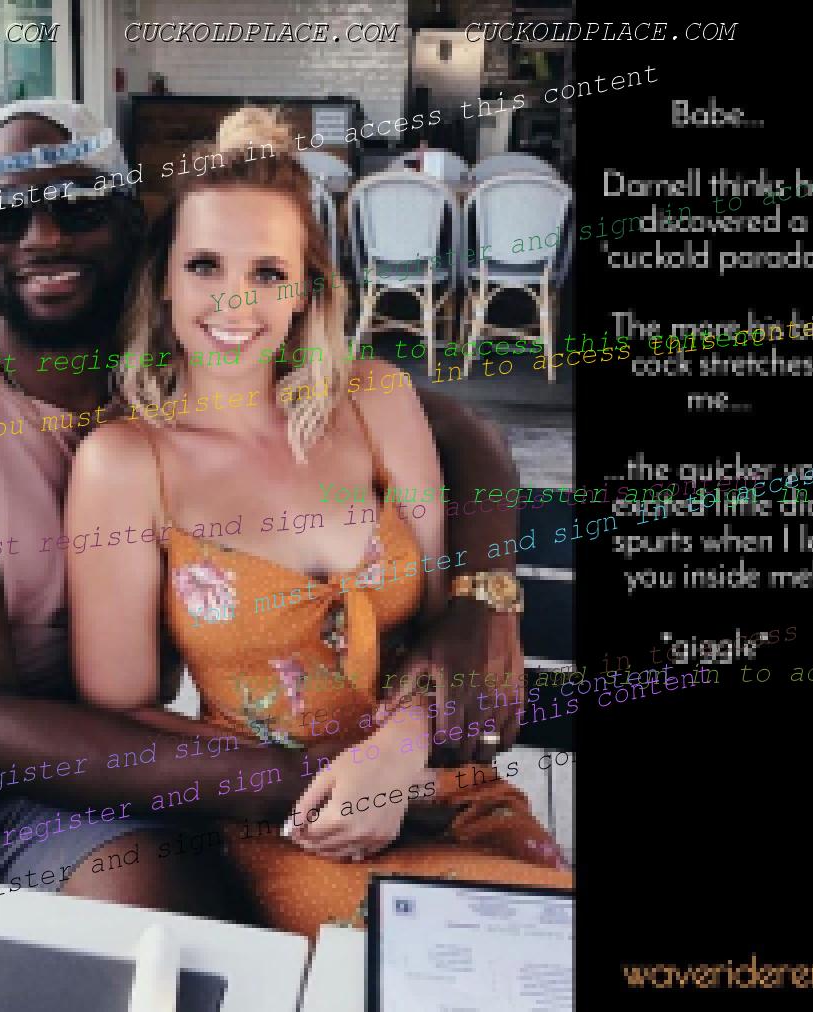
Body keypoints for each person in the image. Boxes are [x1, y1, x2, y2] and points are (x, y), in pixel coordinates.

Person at [0, 100, 545, 920]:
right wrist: (326, 774)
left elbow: (465, 435)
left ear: (131, 226)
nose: (43, 237)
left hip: (96, 772)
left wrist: (481, 599)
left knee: (180, 944)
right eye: (2, 215)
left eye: (77, 204)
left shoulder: (200, 350)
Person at [66, 107, 572, 938]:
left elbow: (441, 623)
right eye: (205, 265)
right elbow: (118, 714)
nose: (235, 301)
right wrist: (318, 777)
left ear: (306, 291)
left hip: (447, 784)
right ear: (163, 281)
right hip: (288, 819)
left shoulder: (376, 401)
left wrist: (401, 747)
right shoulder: (125, 462)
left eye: (269, 272)